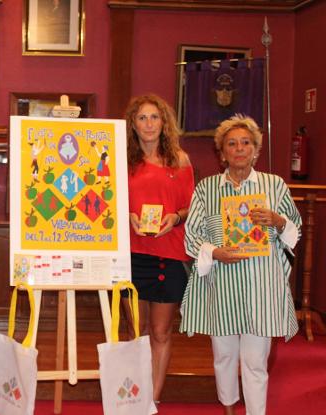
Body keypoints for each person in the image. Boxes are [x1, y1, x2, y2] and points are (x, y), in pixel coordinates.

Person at [180, 115, 301, 415]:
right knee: (223, 356)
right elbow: (191, 236)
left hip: (262, 286)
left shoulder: (275, 185)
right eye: (231, 144)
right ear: (221, 153)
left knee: (255, 361)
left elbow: (295, 230)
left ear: (256, 149)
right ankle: (229, 407)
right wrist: (214, 252)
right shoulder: (206, 189)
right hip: (222, 286)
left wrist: (277, 220)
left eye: (246, 143)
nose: (239, 149)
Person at [122, 94, 195, 403]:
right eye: (142, 118)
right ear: (133, 125)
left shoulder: (180, 159)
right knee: (133, 331)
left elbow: (191, 207)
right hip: (129, 253)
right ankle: (131, 394)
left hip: (169, 252)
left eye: (155, 117)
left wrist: (175, 217)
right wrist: (128, 216)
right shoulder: (122, 159)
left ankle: (151, 400)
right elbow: (106, 201)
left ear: (164, 122)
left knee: (160, 331)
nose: (149, 124)